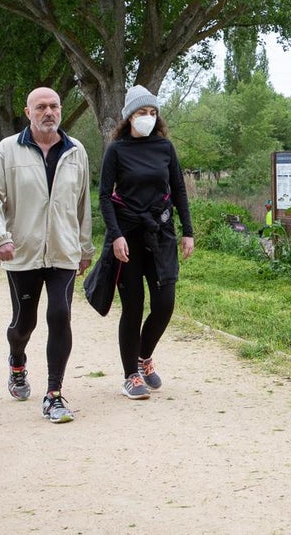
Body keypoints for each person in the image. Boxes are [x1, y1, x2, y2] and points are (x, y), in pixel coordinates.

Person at [0, 87, 93, 423]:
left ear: (61, 110)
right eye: (40, 107)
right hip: (23, 252)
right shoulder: (8, 151)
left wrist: (85, 248)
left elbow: (83, 204)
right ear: (28, 112)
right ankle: (17, 361)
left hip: (63, 250)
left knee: (60, 315)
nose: (49, 112)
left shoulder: (76, 151)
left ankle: (54, 395)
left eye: (54, 106)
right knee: (24, 323)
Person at [98, 85, 194, 400]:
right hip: (128, 236)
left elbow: (179, 189)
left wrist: (188, 231)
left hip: (161, 234)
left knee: (165, 303)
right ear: (129, 117)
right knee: (133, 306)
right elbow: (104, 196)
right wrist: (116, 236)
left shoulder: (164, 148)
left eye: (153, 113)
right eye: (142, 113)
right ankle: (130, 376)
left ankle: (144, 358)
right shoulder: (116, 149)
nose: (148, 118)